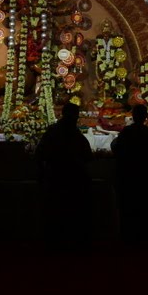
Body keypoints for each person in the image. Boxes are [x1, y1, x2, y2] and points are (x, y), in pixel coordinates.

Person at [34, 102, 94, 251]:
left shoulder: (53, 131)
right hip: (72, 178)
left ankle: (55, 242)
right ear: (75, 116)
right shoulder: (75, 134)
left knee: (56, 212)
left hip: (56, 176)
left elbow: (40, 153)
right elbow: (87, 156)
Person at [110, 103, 148, 246]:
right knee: (145, 204)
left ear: (132, 116)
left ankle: (129, 234)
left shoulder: (126, 132)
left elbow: (116, 148)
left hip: (128, 172)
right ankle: (145, 234)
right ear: (145, 117)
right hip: (145, 172)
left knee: (128, 204)